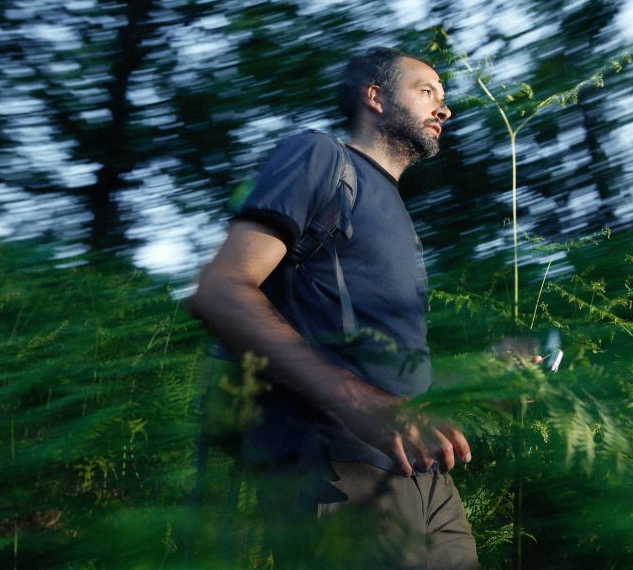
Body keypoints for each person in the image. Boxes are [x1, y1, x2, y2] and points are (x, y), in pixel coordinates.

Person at [186, 47, 479, 569]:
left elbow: (371, 355)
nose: (445, 108)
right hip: (339, 467)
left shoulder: (392, 206)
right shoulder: (320, 158)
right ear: (376, 98)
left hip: (424, 477)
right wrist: (361, 403)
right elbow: (221, 290)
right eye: (426, 91)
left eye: (444, 96)